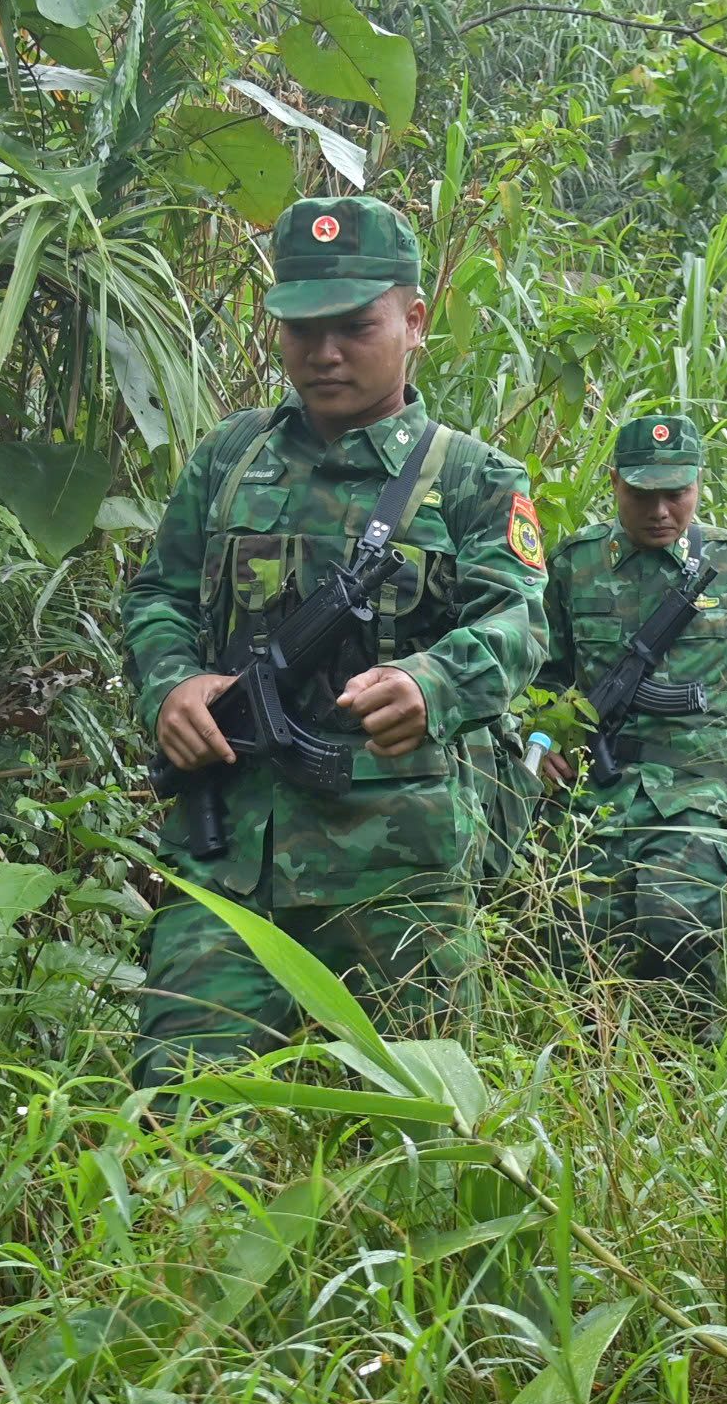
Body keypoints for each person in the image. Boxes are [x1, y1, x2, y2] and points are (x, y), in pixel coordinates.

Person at [120, 196, 549, 1088]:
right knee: (179, 1116)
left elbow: (520, 620)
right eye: (301, 328)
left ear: (414, 322)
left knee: (414, 1142)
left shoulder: (470, 477)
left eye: (355, 326)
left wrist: (435, 681)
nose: (324, 353)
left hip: (399, 871)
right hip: (231, 854)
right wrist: (171, 685)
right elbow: (159, 592)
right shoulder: (227, 460)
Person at [536, 412, 727, 1023]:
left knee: (678, 930)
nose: (661, 510)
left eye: (677, 494)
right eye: (644, 494)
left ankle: (688, 1081)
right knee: (578, 949)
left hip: (694, 788)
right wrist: (539, 740)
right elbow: (542, 677)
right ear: (614, 484)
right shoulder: (574, 565)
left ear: (698, 485)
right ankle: (595, 1084)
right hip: (594, 791)